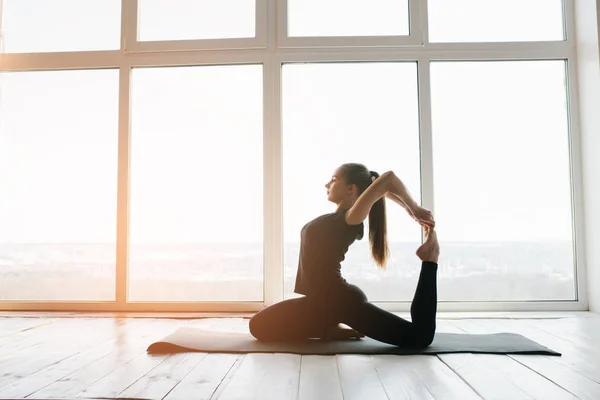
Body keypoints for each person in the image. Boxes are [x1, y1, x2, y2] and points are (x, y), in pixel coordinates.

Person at [249, 163, 439, 348]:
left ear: (351, 189)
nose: (327, 184)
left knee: (419, 336)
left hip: (340, 301)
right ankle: (327, 328)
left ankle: (430, 259)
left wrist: (414, 210)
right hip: (320, 303)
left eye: (333, 179)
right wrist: (404, 205)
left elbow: (388, 179)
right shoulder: (336, 219)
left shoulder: (350, 219)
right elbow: (383, 189)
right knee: (258, 326)